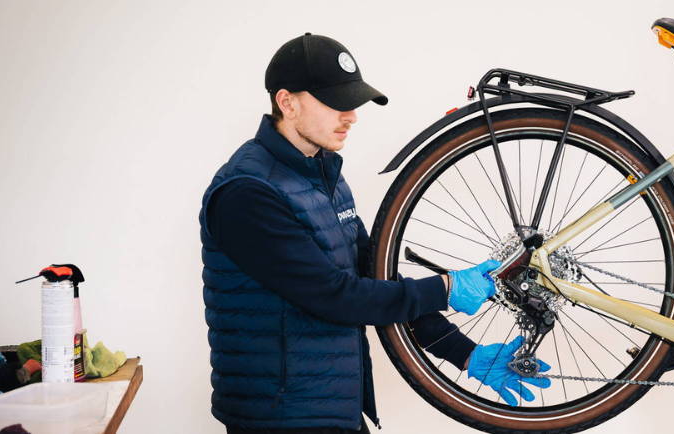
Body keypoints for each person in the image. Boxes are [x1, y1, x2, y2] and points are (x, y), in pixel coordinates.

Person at [199, 33, 551, 434]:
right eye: (335, 102)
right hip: (281, 415)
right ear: (287, 102)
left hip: (328, 406)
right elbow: (334, 296)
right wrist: (445, 288)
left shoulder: (322, 175)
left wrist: (465, 353)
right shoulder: (248, 193)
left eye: (352, 103)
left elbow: (375, 279)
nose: (351, 116)